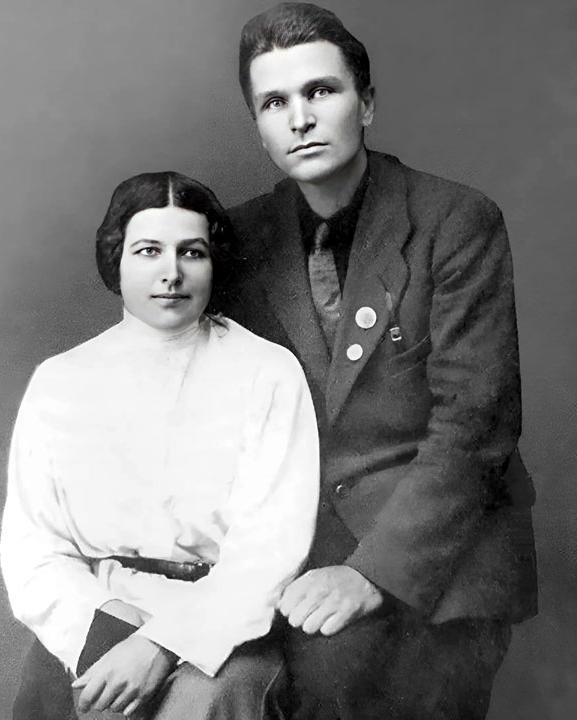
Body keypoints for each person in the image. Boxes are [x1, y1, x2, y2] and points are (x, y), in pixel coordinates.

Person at [225, 3, 538, 719]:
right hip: (297, 557)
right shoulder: (239, 239)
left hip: (442, 556)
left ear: (365, 104)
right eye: (275, 102)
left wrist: (370, 575)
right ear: (259, 127)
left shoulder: (455, 220)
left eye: (321, 91)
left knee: (347, 684)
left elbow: (476, 428)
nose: (300, 118)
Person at [0, 171, 320, 720]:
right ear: (116, 259)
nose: (171, 273)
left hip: (223, 627)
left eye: (191, 252)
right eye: (149, 250)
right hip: (97, 611)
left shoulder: (266, 372)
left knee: (203, 704)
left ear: (213, 261)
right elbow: (33, 547)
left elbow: (269, 549)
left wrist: (162, 643)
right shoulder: (61, 381)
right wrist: (105, 627)